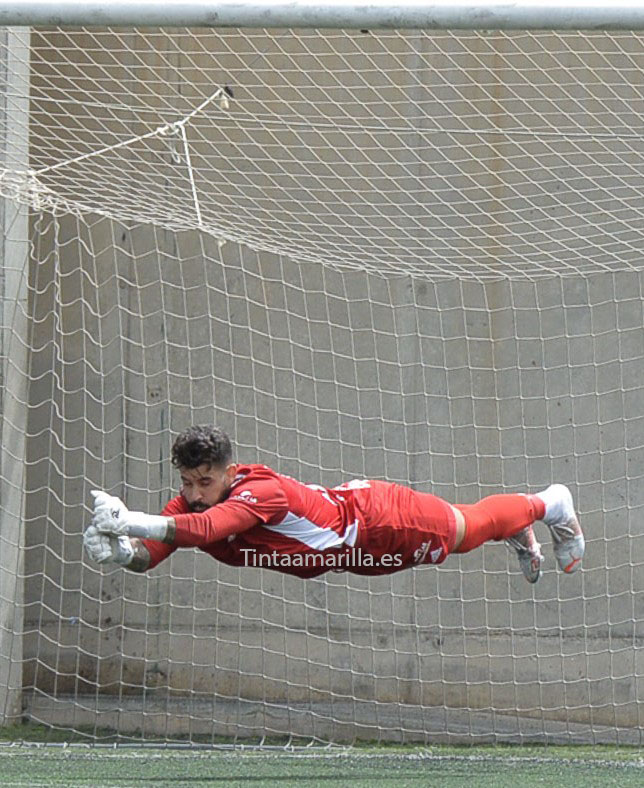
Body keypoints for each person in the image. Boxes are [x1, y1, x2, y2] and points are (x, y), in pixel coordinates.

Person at [83, 425, 585, 583]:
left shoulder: (258, 493)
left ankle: (550, 503)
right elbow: (159, 551)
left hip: (379, 525)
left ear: (230, 474)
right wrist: (124, 551)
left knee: (469, 532)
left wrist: (130, 520)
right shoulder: (192, 504)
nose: (193, 494)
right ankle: (517, 524)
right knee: (471, 530)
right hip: (354, 552)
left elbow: (207, 531)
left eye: (204, 482)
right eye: (188, 482)